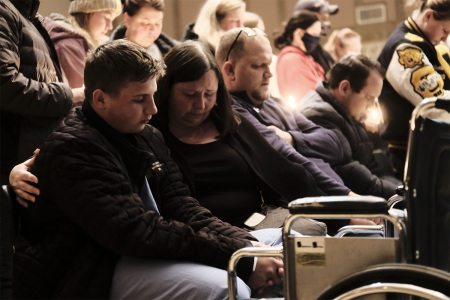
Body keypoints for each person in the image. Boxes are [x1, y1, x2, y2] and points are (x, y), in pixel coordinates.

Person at [13, 39, 283, 299]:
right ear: (99, 99)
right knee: (225, 287)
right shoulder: (74, 149)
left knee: (289, 243)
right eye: (140, 99)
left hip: (137, 251)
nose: (153, 108)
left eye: (153, 95)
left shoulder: (147, 135)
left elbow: (184, 206)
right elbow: (139, 233)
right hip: (93, 267)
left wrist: (245, 247)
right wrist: (241, 257)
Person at [149, 40, 330, 237]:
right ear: (167, 91)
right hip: (206, 236)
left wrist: (341, 212)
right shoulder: (152, 137)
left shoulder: (231, 123)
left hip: (262, 223)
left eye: (209, 94)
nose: (201, 105)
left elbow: (287, 173)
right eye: (190, 95)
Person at [297, 54, 401, 200]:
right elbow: (354, 177)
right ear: (345, 88)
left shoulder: (343, 109)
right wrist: (403, 194)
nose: (372, 106)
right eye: (369, 98)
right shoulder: (320, 116)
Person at [0, 0, 77, 185]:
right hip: (12, 159)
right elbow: (5, 85)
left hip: (29, 155)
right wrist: (69, 95)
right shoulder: (5, 11)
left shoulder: (26, 16)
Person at [377, 0, 450, 177]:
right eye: (445, 30)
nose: (446, 38)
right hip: (414, 150)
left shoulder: (429, 42)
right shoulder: (406, 48)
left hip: (433, 144)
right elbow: (434, 103)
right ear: (428, 16)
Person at [42, 0, 122, 88]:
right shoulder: (69, 46)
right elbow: (82, 95)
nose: (110, 26)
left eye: (111, 20)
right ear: (87, 12)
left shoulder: (81, 43)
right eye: (107, 18)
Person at [275, 10, 325, 103]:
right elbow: (308, 98)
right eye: (314, 34)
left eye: (318, 35)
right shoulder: (292, 60)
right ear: (299, 33)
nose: (317, 39)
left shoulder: (303, 57)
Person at [110, 0, 178, 61]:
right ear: (127, 20)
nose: (153, 30)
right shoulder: (108, 58)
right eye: (146, 23)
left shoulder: (176, 54)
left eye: (157, 23)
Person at [294, 0, 339, 73]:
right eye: (322, 18)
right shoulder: (296, 55)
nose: (325, 23)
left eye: (327, 19)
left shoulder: (319, 51)